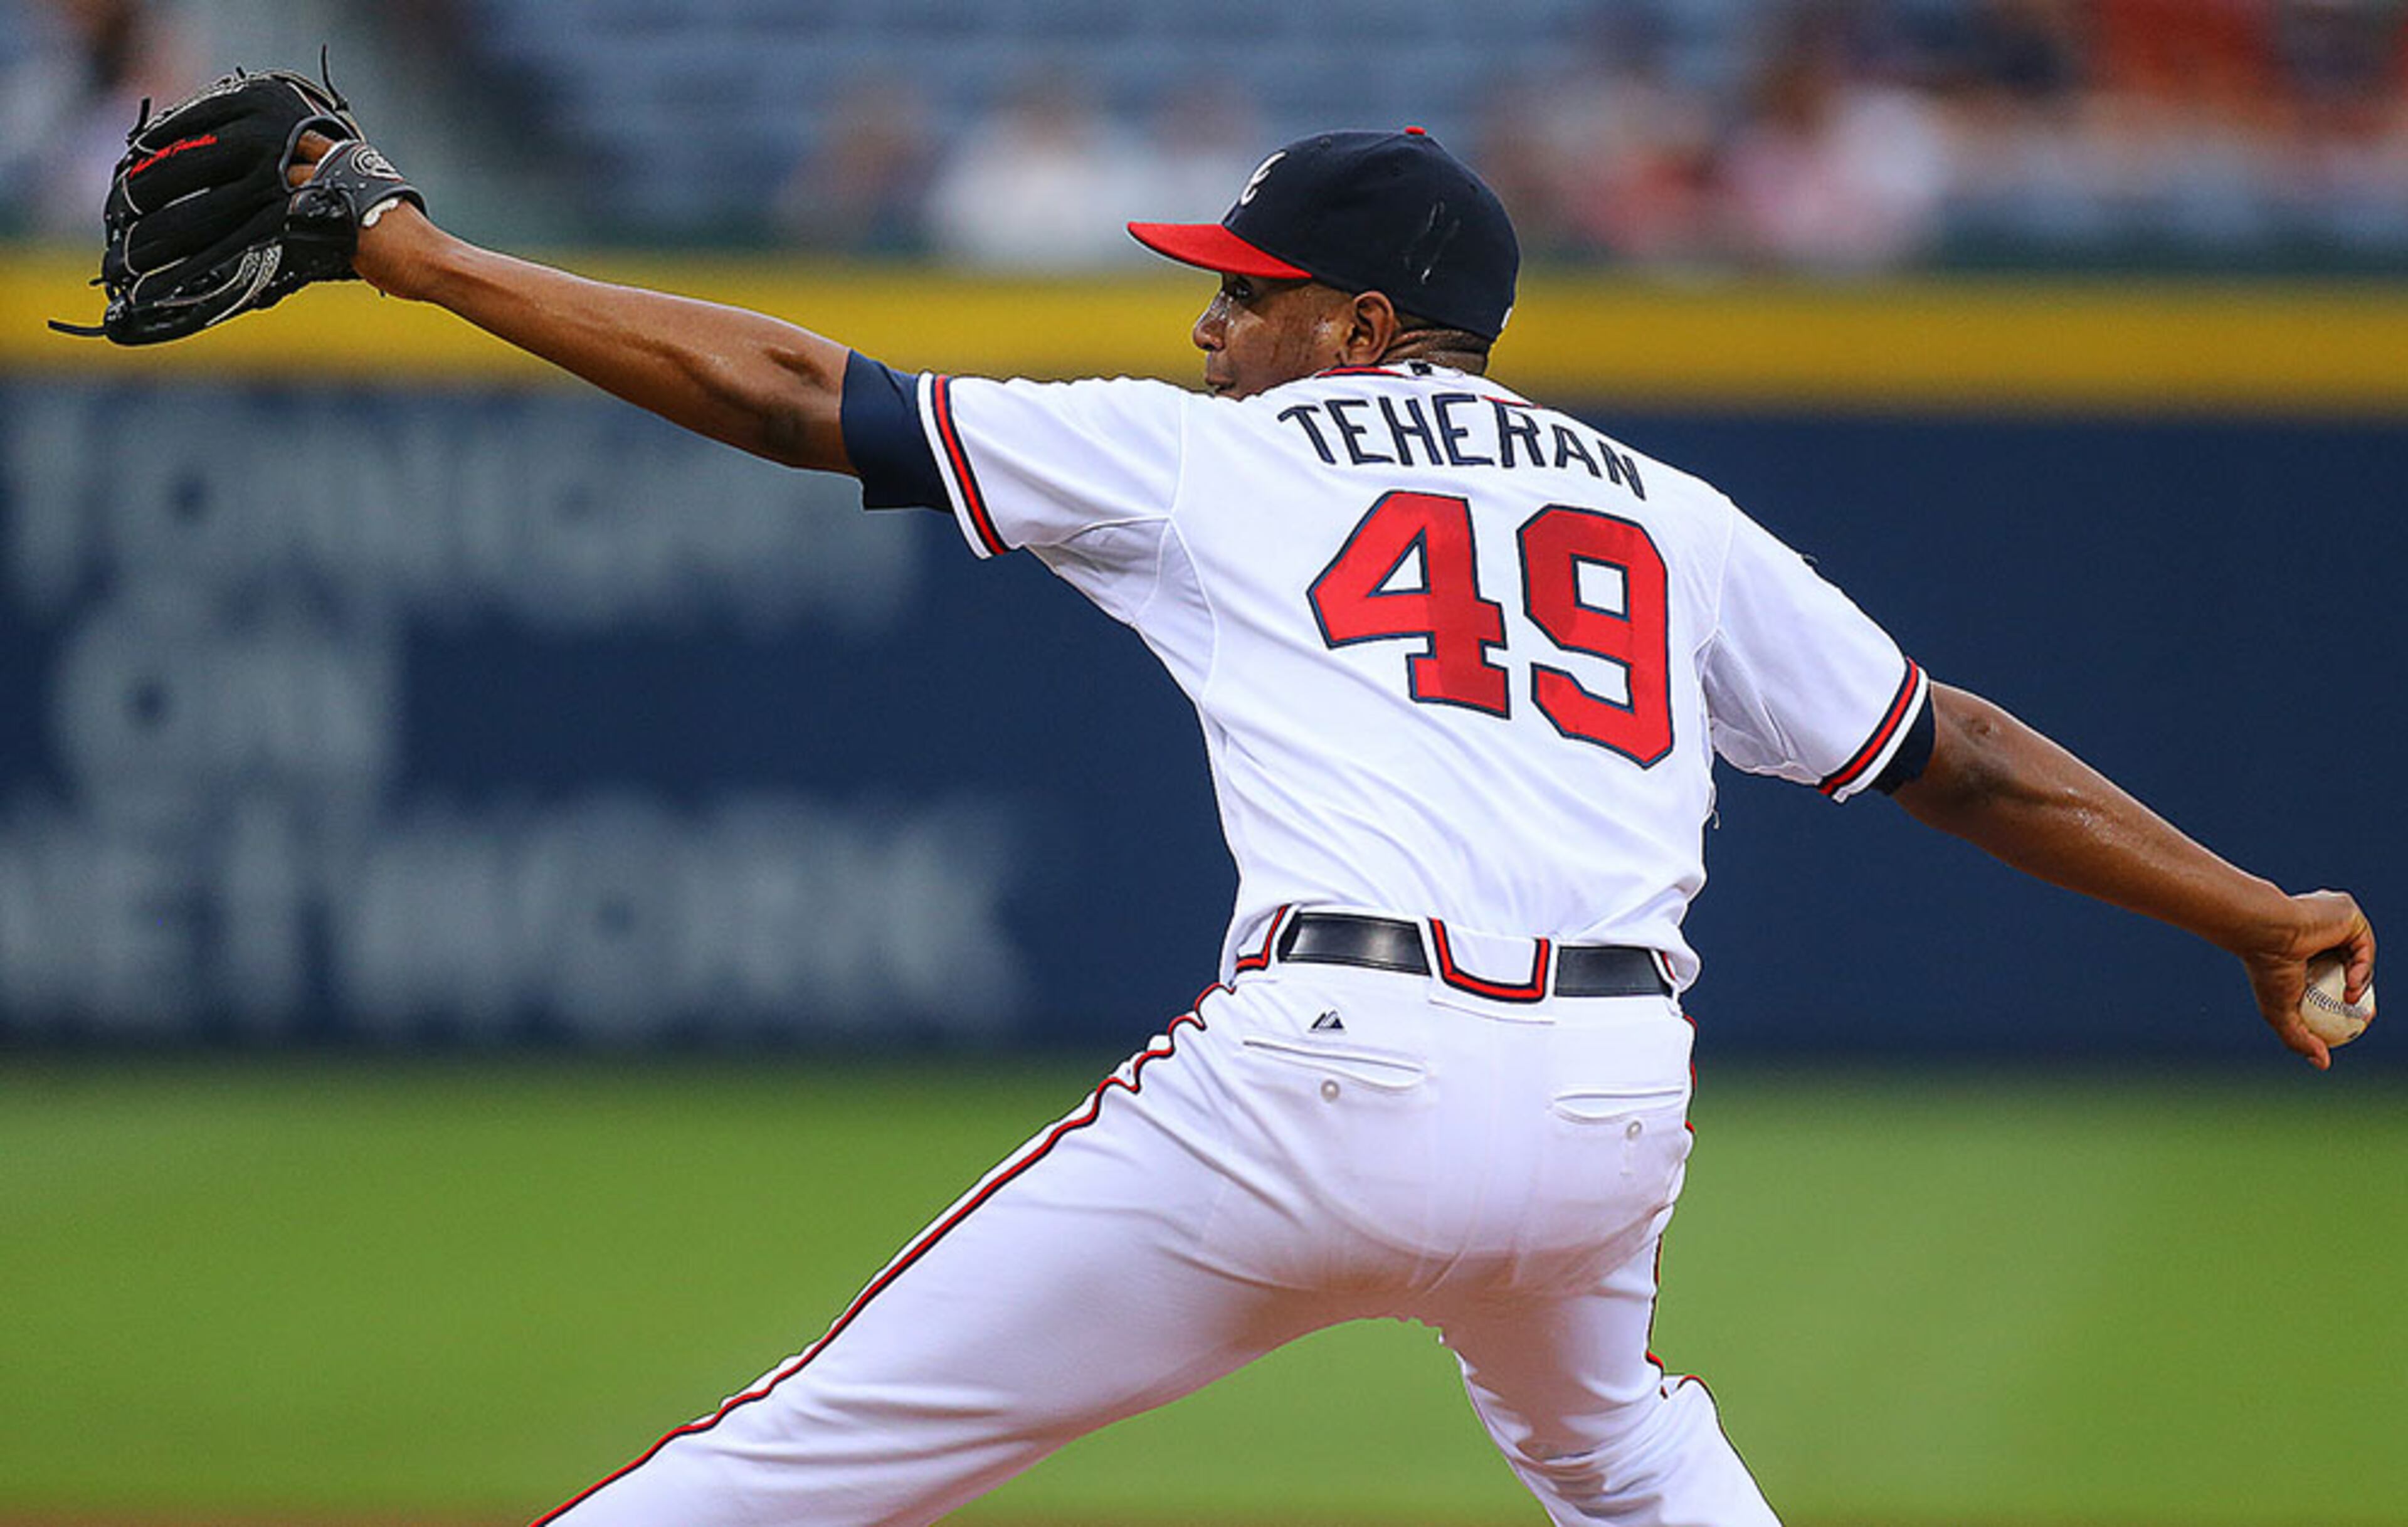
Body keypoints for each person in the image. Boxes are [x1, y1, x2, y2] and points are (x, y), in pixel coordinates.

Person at [290, 123, 2372, 1527]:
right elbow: (1964, 753)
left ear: (1365, 330)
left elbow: (780, 388)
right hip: (1606, 1113)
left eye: (1250, 291)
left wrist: (418, 249)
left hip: (1325, 1083)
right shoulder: (1673, 510)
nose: (1212, 326)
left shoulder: (1227, 460)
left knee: (796, 1461)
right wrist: (2252, 915)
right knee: (1624, 1448)